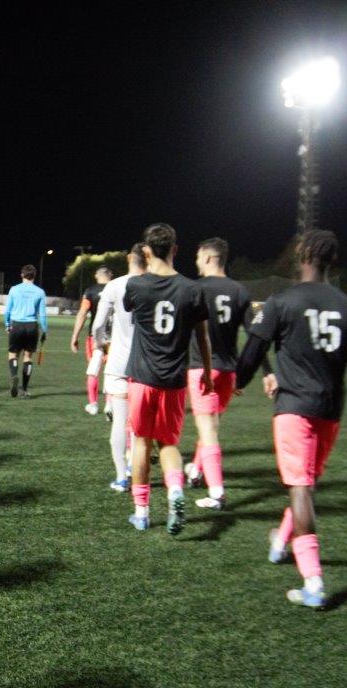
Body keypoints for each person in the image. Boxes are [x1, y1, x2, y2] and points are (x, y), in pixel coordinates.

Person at [235, 229, 347, 608]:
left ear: (301, 255)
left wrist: (237, 382)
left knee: (300, 487)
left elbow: (253, 349)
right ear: (332, 260)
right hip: (330, 412)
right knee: (306, 484)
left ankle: (313, 581)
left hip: (294, 407)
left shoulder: (282, 301)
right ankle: (281, 541)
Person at [123, 224, 212, 535]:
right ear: (175, 249)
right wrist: (208, 375)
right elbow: (202, 337)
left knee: (141, 442)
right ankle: (175, 492)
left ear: (147, 251)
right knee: (169, 443)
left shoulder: (136, 285)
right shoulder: (192, 290)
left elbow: (130, 310)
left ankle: (142, 512)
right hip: (174, 379)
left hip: (141, 377)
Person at [184, 238, 252, 510]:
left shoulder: (195, 288)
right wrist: (252, 373)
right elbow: (254, 335)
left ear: (209, 258)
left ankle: (217, 492)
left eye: (199, 257)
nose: (197, 262)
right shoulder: (240, 291)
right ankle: (196, 471)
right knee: (210, 427)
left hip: (203, 370)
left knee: (208, 431)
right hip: (229, 372)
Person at [91, 244, 145, 491]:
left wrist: (101, 343)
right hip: (146, 364)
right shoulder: (157, 285)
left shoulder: (114, 285)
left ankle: (122, 477)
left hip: (119, 363)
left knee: (120, 421)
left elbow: (98, 325)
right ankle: (135, 466)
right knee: (140, 422)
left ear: (129, 258)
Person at [71, 266, 112, 414]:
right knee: (111, 371)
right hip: (114, 337)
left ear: (96, 275)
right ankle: (109, 405)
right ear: (110, 275)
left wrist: (75, 336)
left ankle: (93, 404)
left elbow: (82, 314)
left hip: (95, 336)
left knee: (93, 369)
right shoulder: (117, 288)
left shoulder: (90, 291)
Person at [4, 264, 48, 398]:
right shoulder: (40, 292)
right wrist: (45, 330)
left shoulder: (14, 289)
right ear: (34, 276)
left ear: (22, 275)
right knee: (28, 357)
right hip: (32, 326)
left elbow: (7, 311)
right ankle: (24, 389)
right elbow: (42, 315)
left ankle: (14, 376)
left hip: (17, 325)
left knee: (13, 355)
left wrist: (7, 324)